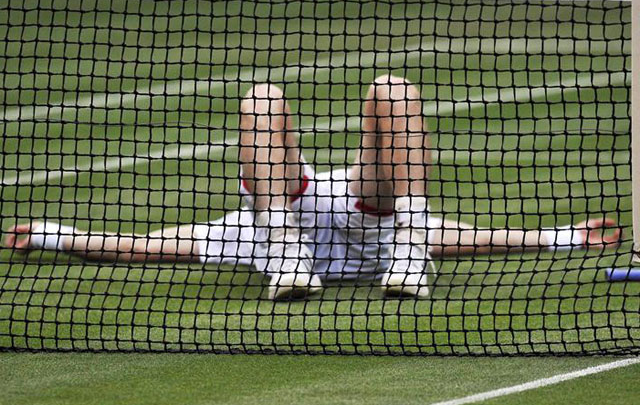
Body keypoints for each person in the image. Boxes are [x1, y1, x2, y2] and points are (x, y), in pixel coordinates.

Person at [3, 76, 622, 301]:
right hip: (313, 226)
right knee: (386, 91)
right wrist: (561, 236)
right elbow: (468, 239)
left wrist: (56, 236)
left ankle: (400, 249)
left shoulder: (239, 240)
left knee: (282, 97)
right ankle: (296, 251)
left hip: (306, 218)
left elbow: (138, 246)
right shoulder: (263, 244)